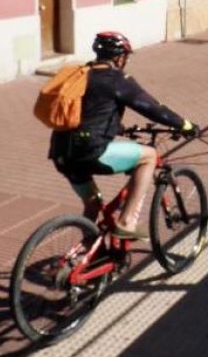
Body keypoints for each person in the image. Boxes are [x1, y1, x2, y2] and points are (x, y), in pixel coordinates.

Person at [48, 31, 199, 240]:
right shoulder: (117, 80)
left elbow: (89, 110)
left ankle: (85, 253)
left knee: (93, 203)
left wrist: (117, 127)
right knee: (149, 156)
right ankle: (127, 222)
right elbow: (152, 108)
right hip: (91, 151)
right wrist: (185, 124)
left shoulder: (81, 75)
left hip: (61, 153)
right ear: (120, 57)